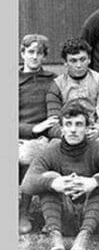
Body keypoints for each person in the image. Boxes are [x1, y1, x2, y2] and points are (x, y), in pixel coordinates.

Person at [21, 101, 99, 250]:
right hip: (63, 217)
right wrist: (54, 184)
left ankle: (83, 237)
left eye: (79, 124)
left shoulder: (98, 149)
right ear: (62, 128)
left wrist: (93, 182)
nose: (73, 130)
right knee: (49, 178)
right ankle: (55, 238)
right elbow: (27, 183)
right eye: (68, 124)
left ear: (87, 128)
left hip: (96, 217)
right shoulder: (51, 152)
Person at [45, 38, 99, 154]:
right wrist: (66, 133)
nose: (79, 65)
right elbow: (52, 122)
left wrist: (96, 131)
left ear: (89, 60)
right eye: (73, 61)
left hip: (92, 131)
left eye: (82, 59)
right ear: (65, 63)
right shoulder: (57, 85)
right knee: (53, 145)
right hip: (67, 131)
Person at [18, 34, 57, 234]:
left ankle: (24, 212)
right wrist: (31, 129)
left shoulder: (52, 80)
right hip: (18, 134)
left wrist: (42, 132)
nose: (34, 57)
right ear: (22, 53)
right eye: (30, 52)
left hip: (43, 138)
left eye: (39, 53)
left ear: (44, 56)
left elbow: (55, 115)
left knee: (32, 155)